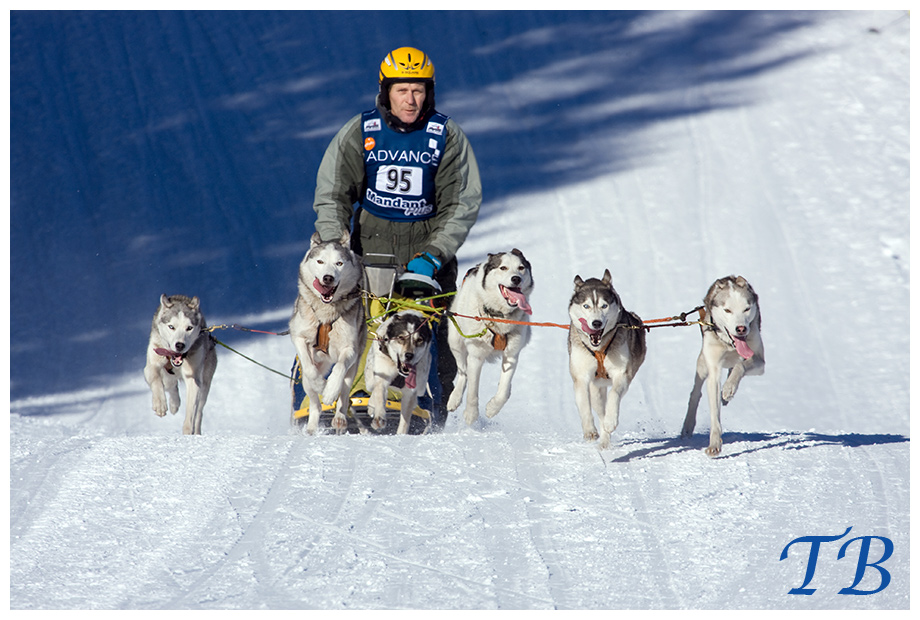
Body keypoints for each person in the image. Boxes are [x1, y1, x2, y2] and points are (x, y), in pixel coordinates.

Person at [311, 46, 482, 429]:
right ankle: (327, 396)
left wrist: (435, 254)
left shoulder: (445, 136)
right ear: (386, 91)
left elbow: (462, 202)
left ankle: (427, 407)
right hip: (368, 251)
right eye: (402, 90)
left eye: (418, 90)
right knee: (345, 324)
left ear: (430, 92)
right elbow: (333, 192)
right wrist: (332, 244)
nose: (411, 99)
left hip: (425, 256)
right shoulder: (362, 131)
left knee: (425, 335)